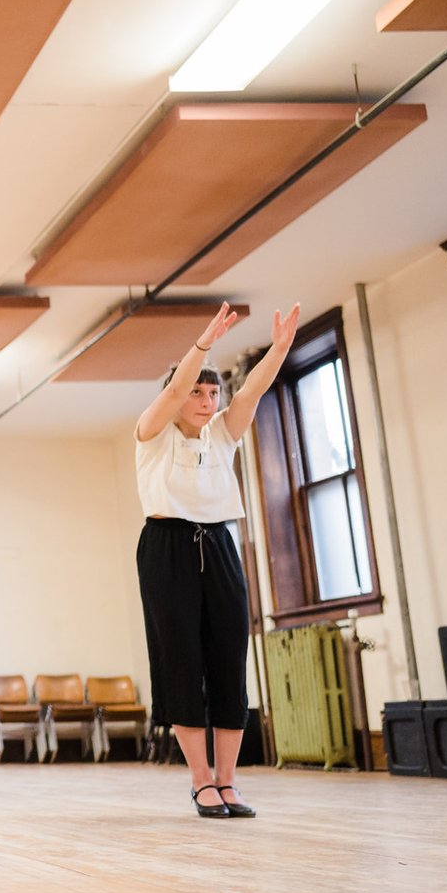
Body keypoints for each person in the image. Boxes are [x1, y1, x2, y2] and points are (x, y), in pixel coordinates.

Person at [133, 300, 299, 819]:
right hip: (166, 548)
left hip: (220, 545)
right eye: (197, 393)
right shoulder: (151, 435)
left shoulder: (223, 435)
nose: (207, 401)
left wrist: (281, 348)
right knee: (182, 660)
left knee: (229, 657)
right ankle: (200, 781)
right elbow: (177, 388)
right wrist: (205, 341)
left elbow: (252, 390)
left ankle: (228, 782)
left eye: (213, 392)